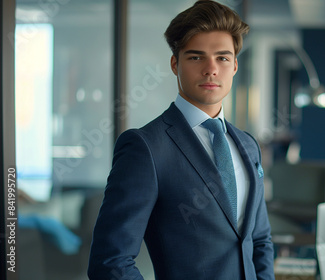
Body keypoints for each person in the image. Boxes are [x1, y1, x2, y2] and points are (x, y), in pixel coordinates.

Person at [87, 1, 275, 279]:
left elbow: (259, 240)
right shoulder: (146, 147)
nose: (211, 69)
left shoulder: (247, 144)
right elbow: (110, 260)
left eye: (222, 58)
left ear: (234, 66)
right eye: (196, 57)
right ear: (175, 64)